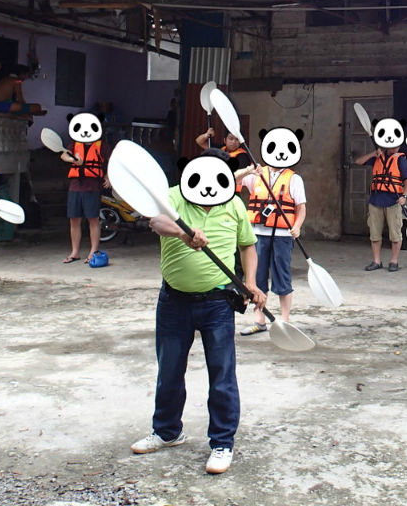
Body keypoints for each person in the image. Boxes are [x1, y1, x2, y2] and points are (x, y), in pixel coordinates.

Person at [129, 149, 266, 475]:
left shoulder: (233, 203)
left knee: (222, 374)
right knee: (169, 369)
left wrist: (250, 282)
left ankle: (222, 442)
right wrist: (183, 232)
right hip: (174, 301)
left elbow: (247, 245)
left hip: (218, 303)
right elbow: (156, 221)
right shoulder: (174, 196)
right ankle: (167, 432)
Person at [240, 128, 307, 335]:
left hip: (282, 236)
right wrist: (248, 170)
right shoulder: (257, 175)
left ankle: (285, 321)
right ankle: (259, 320)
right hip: (258, 234)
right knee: (257, 277)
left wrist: (297, 226)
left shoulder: (294, 179)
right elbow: (231, 181)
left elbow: (301, 207)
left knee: (282, 277)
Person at [354, 142, 407, 272]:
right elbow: (358, 162)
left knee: (395, 234)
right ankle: (376, 261)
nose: (396, 148)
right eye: (394, 146)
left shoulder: (401, 159)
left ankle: (394, 261)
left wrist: (404, 196)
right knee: (375, 233)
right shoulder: (377, 157)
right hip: (376, 200)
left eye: (398, 146)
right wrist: (373, 154)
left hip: (394, 200)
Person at [60, 113, 108, 264]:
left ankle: (93, 251)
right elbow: (64, 155)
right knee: (74, 220)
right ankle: (75, 252)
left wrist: (108, 177)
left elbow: (112, 161)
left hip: (92, 187)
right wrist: (72, 159)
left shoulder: (101, 145)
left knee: (93, 219)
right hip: (75, 187)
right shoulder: (74, 144)